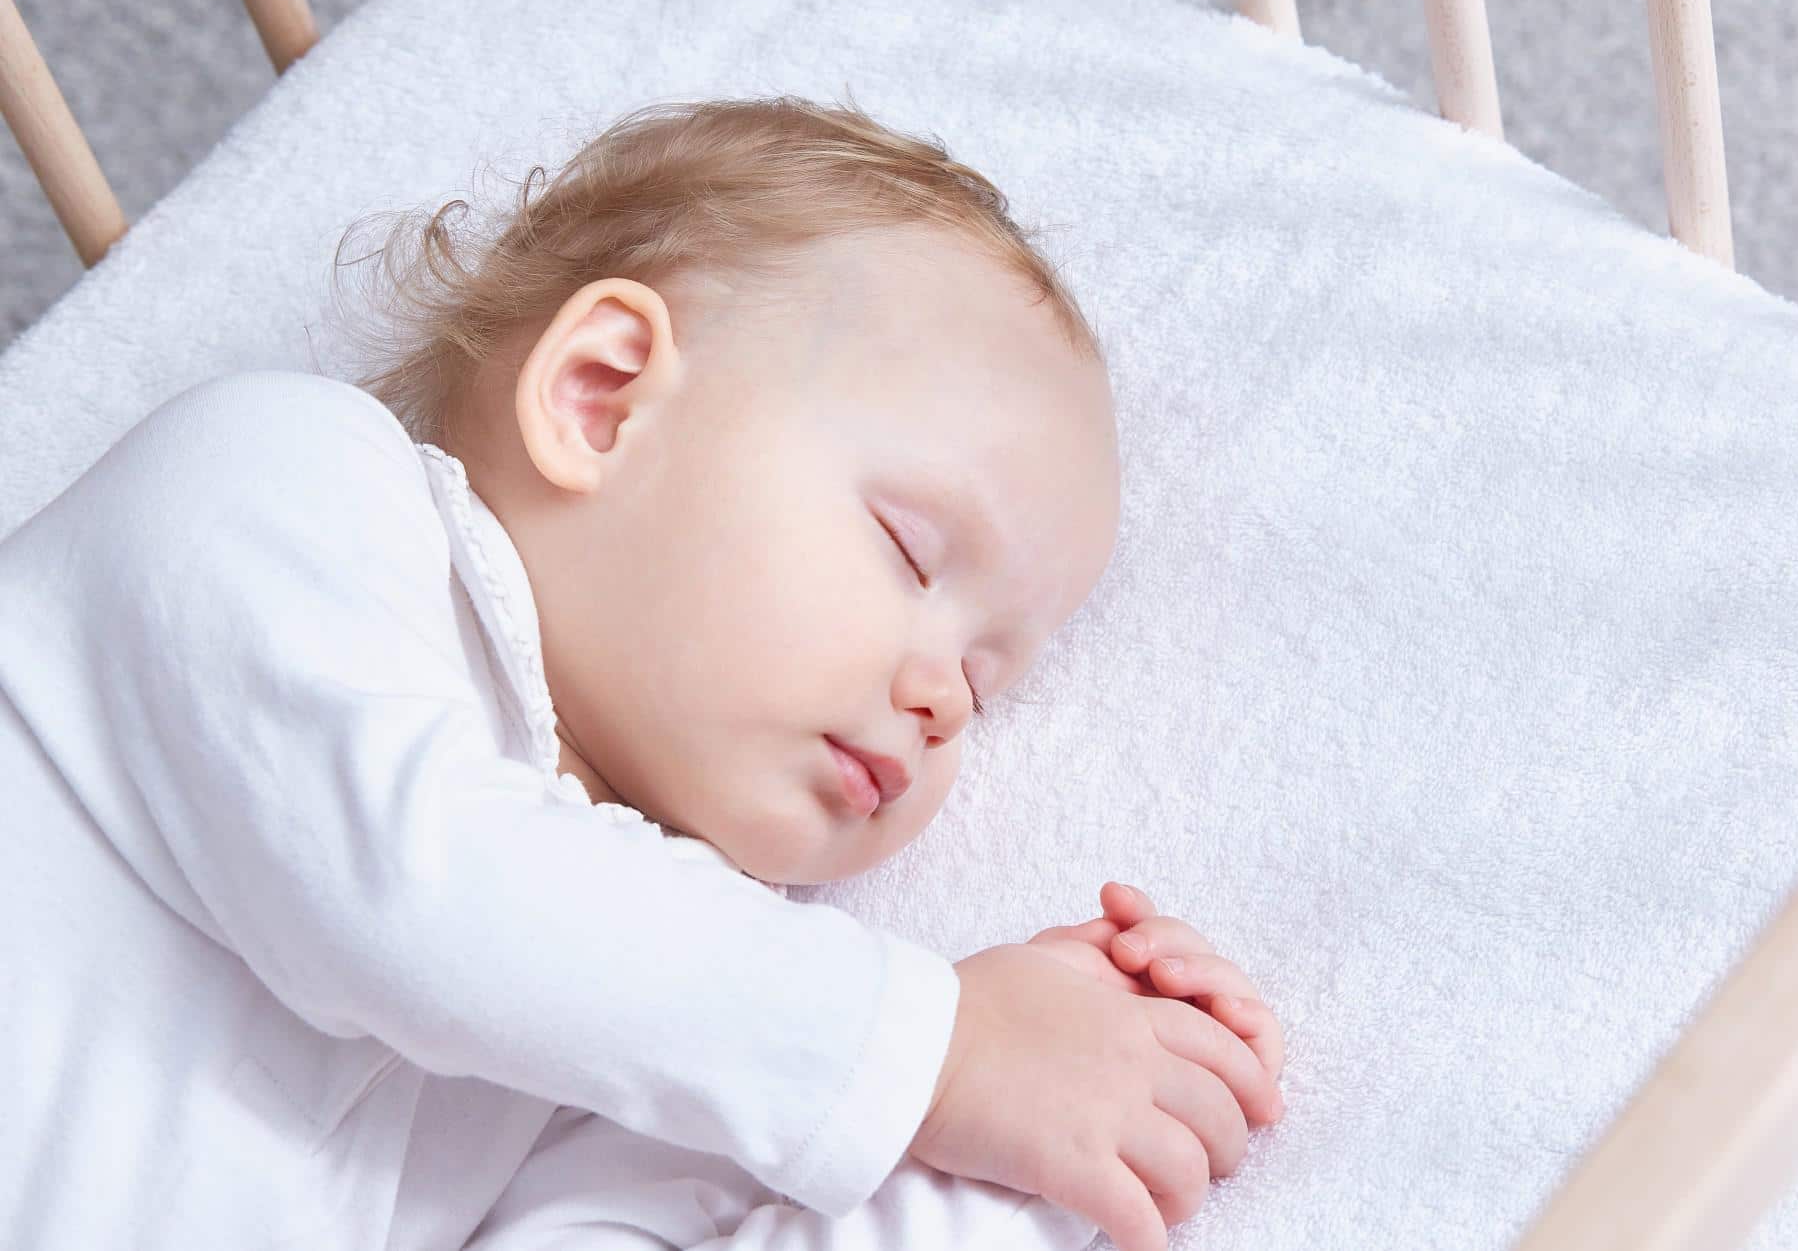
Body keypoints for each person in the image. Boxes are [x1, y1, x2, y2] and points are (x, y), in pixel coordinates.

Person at [0, 97, 1283, 1251]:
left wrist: (1021, 1150)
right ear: (601, 397)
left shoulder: (658, 1004)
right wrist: (937, 1047)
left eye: (986, 679)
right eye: (906, 551)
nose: (945, 699)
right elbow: (422, 896)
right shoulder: (274, 484)